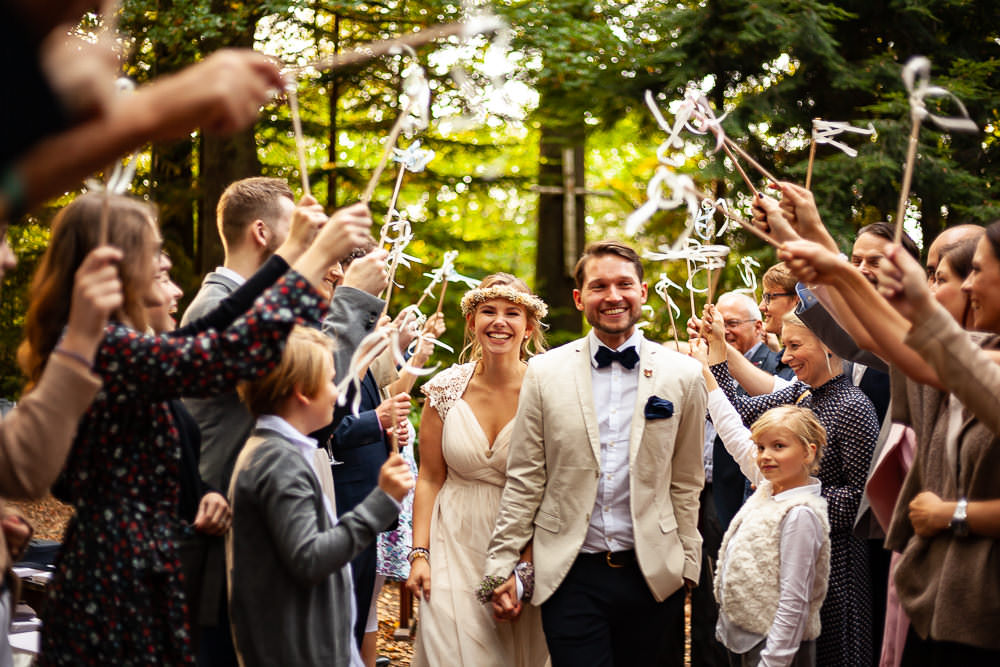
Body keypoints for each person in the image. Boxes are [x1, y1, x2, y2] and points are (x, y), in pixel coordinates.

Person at [18, 191, 369, 665]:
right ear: (113, 263)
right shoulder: (103, 347)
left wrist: (289, 256)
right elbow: (223, 353)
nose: (165, 264)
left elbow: (217, 327)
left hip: (142, 569)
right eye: (154, 251)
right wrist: (318, 259)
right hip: (117, 581)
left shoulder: (118, 342)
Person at [780, 224, 1000, 662]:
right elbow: (872, 337)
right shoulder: (965, 358)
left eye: (948, 275)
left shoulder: (972, 366)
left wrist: (953, 515)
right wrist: (812, 238)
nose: (970, 284)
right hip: (934, 598)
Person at [482, 241, 706, 666]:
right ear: (579, 297)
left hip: (654, 574)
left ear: (643, 290)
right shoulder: (545, 373)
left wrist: (687, 565)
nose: (613, 296)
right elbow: (526, 478)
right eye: (599, 286)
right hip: (570, 574)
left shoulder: (685, 375)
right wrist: (500, 567)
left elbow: (687, 479)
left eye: (624, 284)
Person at [228, 325, 413, 666]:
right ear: (302, 391)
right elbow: (311, 559)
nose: (338, 394)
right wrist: (381, 500)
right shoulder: (277, 462)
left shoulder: (282, 451)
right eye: (331, 381)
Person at [702, 306, 877, 667]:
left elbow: (865, 502)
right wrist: (716, 351)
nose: (785, 357)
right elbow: (740, 411)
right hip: (787, 559)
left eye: (795, 346)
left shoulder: (854, 407)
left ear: (829, 345)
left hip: (837, 571)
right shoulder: (802, 393)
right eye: (784, 346)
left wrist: (794, 496)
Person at [406, 273, 549, 667]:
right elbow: (430, 477)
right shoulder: (444, 390)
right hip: (452, 541)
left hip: (524, 544)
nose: (498, 321)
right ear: (472, 322)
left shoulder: (552, 389)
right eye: (488, 311)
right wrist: (420, 554)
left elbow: (558, 487)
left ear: (529, 326)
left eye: (512, 313)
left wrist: (526, 570)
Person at [696, 365, 831, 667]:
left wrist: (773, 661)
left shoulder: (800, 515)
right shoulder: (772, 484)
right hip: (746, 638)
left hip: (774, 650)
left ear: (808, 452)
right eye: (760, 447)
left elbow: (794, 602)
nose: (765, 455)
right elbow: (732, 431)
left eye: (779, 447)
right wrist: (706, 374)